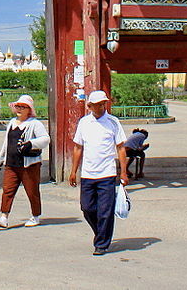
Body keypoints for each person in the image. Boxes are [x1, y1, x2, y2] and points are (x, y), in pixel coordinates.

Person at [69, 90, 129, 257]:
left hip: (107, 173)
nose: (101, 107)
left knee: (105, 211)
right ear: (90, 106)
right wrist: (73, 171)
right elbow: (78, 147)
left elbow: (120, 148)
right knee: (87, 208)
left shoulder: (113, 122)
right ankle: (101, 232)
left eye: (103, 104)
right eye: (98, 104)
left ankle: (101, 244)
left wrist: (123, 172)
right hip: (88, 173)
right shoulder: (84, 123)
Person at [0, 94, 49, 228]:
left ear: (29, 110)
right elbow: (7, 143)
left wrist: (31, 144)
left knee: (32, 191)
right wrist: (0, 159)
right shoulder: (12, 122)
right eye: (18, 106)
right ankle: (4, 217)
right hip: (11, 163)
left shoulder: (34, 124)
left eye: (23, 107)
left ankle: (35, 216)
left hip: (29, 165)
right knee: (8, 190)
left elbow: (46, 139)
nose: (19, 109)